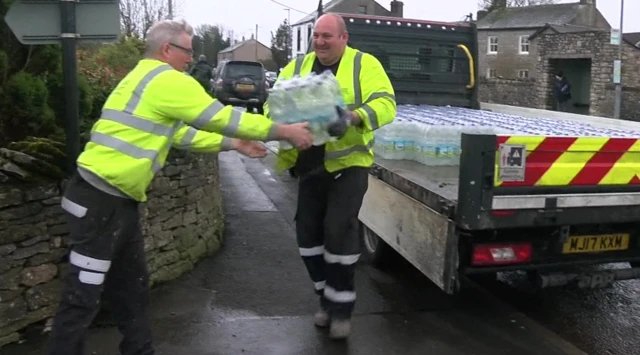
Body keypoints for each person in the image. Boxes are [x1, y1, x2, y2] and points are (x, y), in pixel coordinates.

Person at [47, 18, 313, 355]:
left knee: (131, 291)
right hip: (101, 203)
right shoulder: (166, 79)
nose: (191, 58)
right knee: (81, 297)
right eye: (187, 51)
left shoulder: (141, 76)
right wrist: (284, 131)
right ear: (167, 49)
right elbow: (220, 116)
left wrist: (233, 145)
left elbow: (180, 134)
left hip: (114, 202)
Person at [265, 13, 396, 339]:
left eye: (327, 36)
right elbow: (271, 105)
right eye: (317, 36)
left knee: (339, 232)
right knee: (308, 239)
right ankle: (324, 297)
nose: (320, 42)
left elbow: (386, 104)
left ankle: (341, 307)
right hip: (309, 167)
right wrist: (283, 122)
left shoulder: (364, 65)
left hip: (349, 165)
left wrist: (353, 117)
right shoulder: (296, 68)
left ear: (344, 37)